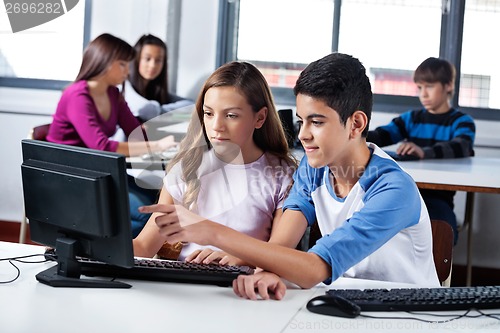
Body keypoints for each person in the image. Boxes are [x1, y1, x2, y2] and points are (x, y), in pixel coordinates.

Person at [139, 52, 440, 300]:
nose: (304, 135)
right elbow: (279, 248)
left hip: (408, 311)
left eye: (317, 122)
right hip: (348, 302)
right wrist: (265, 268)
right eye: (301, 121)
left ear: (356, 123)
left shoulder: (393, 190)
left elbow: (312, 269)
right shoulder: (313, 170)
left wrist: (210, 231)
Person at [133, 61, 297, 263]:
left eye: (231, 115)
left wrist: (237, 258)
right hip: (183, 284)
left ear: (260, 118)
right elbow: (143, 247)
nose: (216, 126)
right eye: (209, 114)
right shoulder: (187, 167)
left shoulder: (282, 175)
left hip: (240, 287)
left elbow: (280, 253)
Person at [46, 33, 177, 237]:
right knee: (148, 217)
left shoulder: (113, 94)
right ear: (105, 62)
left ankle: (106, 247)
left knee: (159, 203)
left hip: (98, 171)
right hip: (69, 175)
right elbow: (102, 146)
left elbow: (136, 132)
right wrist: (156, 147)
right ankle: (99, 249)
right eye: (123, 64)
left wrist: (175, 140)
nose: (128, 70)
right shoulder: (76, 95)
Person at [367, 57, 476, 244]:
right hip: (403, 193)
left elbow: (462, 146)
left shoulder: (462, 122)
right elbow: (382, 135)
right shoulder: (411, 119)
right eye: (419, 87)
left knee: (441, 235)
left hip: (438, 199)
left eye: (430, 87)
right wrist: (352, 133)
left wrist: (424, 152)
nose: (423, 94)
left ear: (448, 85)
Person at [126, 34, 193, 122]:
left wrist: (160, 113)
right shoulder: (123, 87)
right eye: (147, 59)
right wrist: (169, 115)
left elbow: (193, 106)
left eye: (158, 60)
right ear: (137, 59)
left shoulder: (156, 90)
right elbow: (146, 110)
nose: (152, 65)